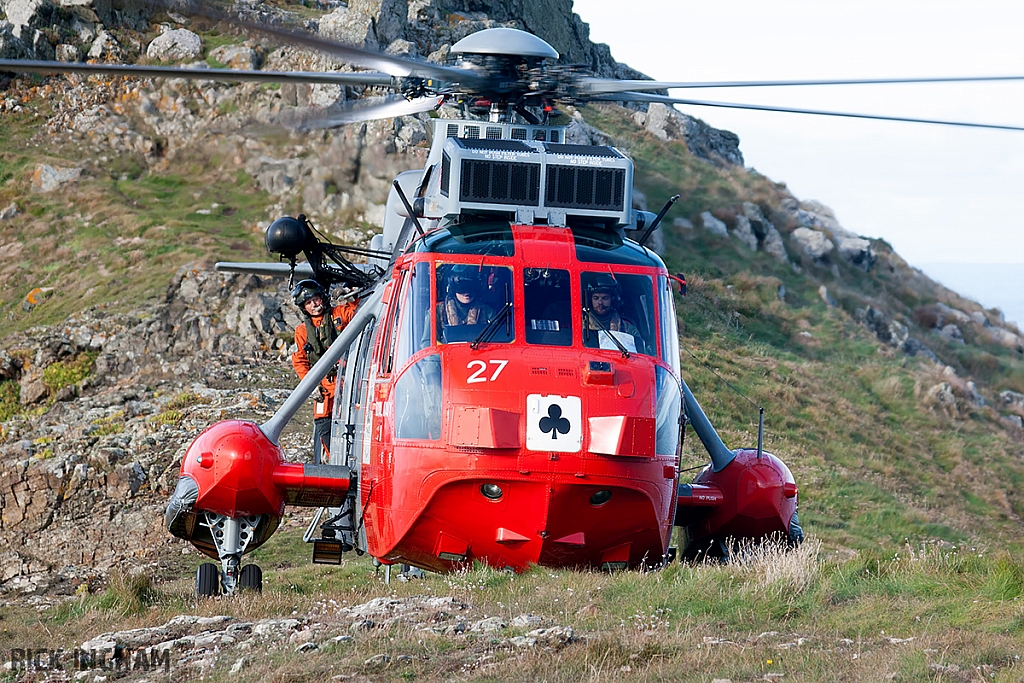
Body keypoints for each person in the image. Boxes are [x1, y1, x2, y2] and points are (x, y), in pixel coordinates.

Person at [291, 279, 358, 464]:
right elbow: (300, 360)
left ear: (323, 298)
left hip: (348, 382)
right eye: (308, 302)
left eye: (316, 299)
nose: (314, 304)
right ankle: (334, 460)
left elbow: (358, 310)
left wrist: (348, 293)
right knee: (322, 422)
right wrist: (310, 385)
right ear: (304, 307)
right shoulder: (302, 331)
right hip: (324, 387)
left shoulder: (339, 314)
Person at [584, 274, 644, 353]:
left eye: (605, 298)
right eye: (596, 298)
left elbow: (642, 354)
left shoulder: (627, 328)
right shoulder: (581, 324)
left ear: (613, 299)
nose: (600, 302)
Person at [436, 265, 496, 340]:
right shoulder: (438, 312)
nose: (467, 292)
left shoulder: (488, 312)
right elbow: (428, 343)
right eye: (462, 287)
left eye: (472, 286)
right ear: (452, 286)